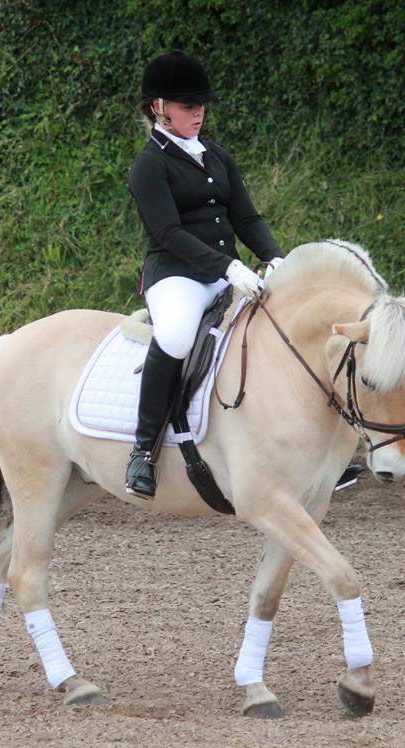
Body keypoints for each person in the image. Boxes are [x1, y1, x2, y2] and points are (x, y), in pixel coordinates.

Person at [125, 50, 283, 499]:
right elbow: (169, 233)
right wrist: (229, 267)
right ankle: (143, 450)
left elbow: (247, 218)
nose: (198, 113)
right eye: (187, 106)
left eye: (201, 105)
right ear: (159, 108)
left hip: (223, 272)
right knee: (175, 337)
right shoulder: (148, 166)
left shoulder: (216, 155)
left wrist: (274, 258)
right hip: (176, 276)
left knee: (278, 326)